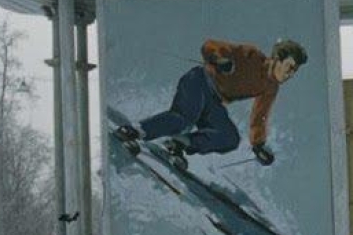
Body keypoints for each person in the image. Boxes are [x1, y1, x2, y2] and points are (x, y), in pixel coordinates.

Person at [115, 37, 308, 168]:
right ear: (276, 59)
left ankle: (180, 143)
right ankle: (135, 130)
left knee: (230, 138)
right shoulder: (252, 56)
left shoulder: (271, 87)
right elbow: (209, 45)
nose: (290, 74)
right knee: (184, 119)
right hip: (199, 81)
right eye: (290, 67)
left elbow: (260, 115)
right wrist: (220, 59)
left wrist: (258, 145)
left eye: (294, 71)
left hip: (214, 101)